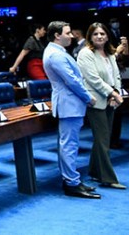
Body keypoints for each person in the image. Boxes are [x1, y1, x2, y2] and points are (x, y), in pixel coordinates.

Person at [42, 20, 100, 199]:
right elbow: (72, 80)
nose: (72, 35)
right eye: (67, 33)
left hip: (70, 104)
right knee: (69, 145)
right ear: (57, 35)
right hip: (69, 104)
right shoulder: (55, 55)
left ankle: (72, 179)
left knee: (69, 144)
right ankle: (71, 183)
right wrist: (87, 97)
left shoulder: (56, 51)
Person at [77, 23, 125, 189]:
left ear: (107, 36)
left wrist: (115, 91)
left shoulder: (110, 53)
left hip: (110, 100)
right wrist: (113, 93)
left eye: (102, 34)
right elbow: (93, 79)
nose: (99, 37)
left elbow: (116, 76)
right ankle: (108, 178)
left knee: (102, 139)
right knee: (103, 140)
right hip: (95, 101)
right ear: (90, 36)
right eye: (96, 34)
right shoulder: (85, 53)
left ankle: (95, 172)